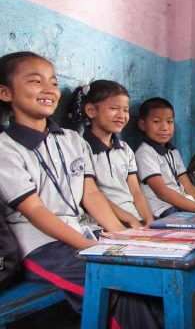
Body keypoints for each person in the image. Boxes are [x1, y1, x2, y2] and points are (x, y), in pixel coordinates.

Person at [0, 52, 162, 328]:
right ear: (5, 93)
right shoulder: (5, 148)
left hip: (83, 233)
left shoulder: (72, 139)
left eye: (52, 82)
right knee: (118, 288)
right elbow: (36, 210)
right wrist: (90, 248)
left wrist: (124, 236)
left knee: (148, 276)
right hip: (42, 247)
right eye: (35, 81)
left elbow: (91, 195)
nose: (49, 89)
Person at [66, 80, 154, 227]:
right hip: (105, 223)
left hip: (135, 220)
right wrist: (129, 219)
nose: (121, 115)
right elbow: (91, 194)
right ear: (91, 111)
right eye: (114, 108)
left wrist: (148, 220)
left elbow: (136, 192)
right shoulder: (81, 148)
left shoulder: (125, 150)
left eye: (125, 110)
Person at [135, 97, 195, 218]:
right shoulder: (145, 153)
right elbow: (162, 193)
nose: (165, 128)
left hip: (181, 206)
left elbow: (188, 186)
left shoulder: (172, 152)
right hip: (162, 210)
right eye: (156, 122)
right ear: (142, 124)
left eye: (169, 122)